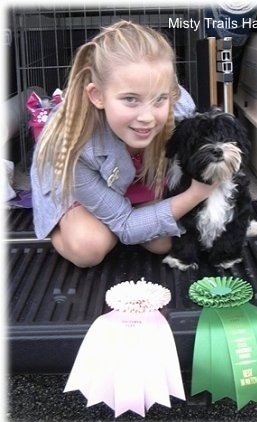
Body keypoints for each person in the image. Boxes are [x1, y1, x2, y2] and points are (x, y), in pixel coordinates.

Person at [31, 20, 220, 268]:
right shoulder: (72, 148)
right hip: (82, 185)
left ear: (172, 94)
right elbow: (127, 226)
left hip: (136, 178)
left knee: (163, 243)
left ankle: (129, 212)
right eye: (131, 99)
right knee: (89, 247)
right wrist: (197, 193)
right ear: (97, 95)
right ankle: (72, 221)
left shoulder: (181, 112)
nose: (147, 117)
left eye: (159, 99)